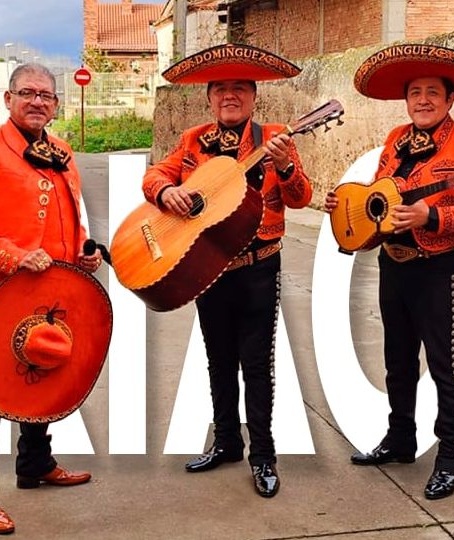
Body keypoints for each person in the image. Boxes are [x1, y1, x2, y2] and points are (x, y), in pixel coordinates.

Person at [325, 45, 454, 500]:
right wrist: (348, 204)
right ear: (406, 100)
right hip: (394, 265)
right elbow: (379, 196)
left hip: (439, 269)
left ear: (450, 99)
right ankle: (401, 439)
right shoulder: (395, 140)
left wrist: (432, 216)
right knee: (398, 362)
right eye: (415, 93)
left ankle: (450, 459)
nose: (423, 100)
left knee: (446, 366)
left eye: (432, 93)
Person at [141, 43, 312, 498]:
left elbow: (301, 197)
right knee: (217, 359)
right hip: (210, 267)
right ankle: (227, 443)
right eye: (220, 89)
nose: (229, 96)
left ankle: (264, 456)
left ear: (254, 97)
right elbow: (155, 175)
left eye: (239, 88)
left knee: (256, 364)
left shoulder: (275, 137)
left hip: (259, 266)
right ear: (210, 98)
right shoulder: (192, 140)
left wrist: (285, 166)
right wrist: (166, 194)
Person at [0, 63, 102, 535]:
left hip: (57, 291)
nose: (37, 101)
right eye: (28, 93)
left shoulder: (62, 152)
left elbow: (71, 218)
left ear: (55, 105)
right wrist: (13, 257)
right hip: (2, 292)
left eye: (46, 95)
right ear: (8, 99)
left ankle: (35, 462)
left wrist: (83, 252)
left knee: (47, 376)